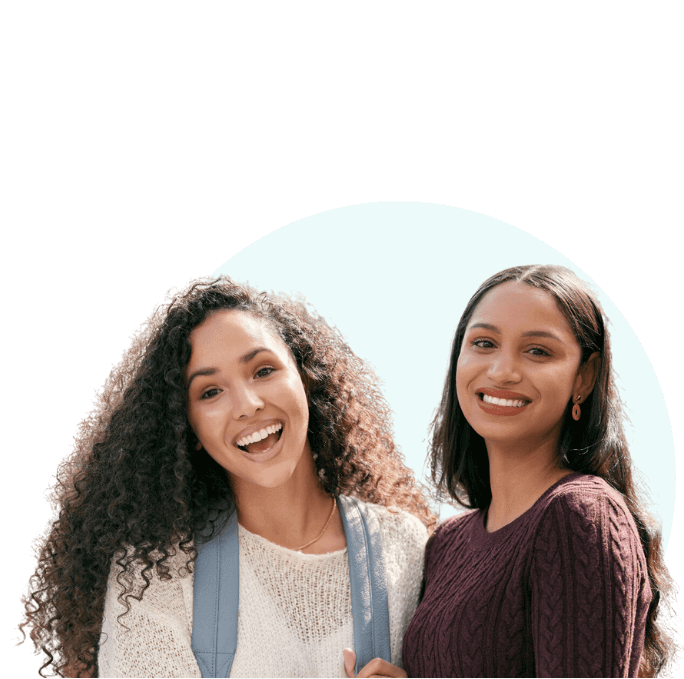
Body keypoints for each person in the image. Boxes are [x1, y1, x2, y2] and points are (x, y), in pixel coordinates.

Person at [17, 275, 436, 678]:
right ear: (189, 430)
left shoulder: (404, 548)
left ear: (307, 378)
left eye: (263, 371)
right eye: (210, 392)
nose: (247, 404)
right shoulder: (157, 577)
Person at [346, 264, 681, 678]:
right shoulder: (447, 544)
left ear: (584, 378)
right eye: (484, 343)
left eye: (538, 351)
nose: (502, 370)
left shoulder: (582, 514)